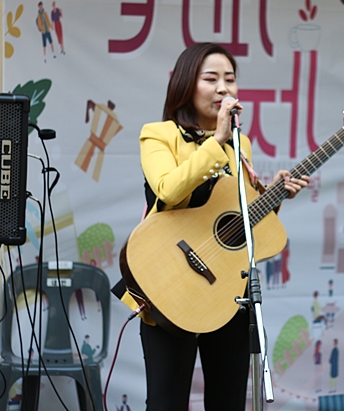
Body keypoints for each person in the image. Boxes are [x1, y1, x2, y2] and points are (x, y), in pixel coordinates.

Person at [132, 42, 309, 410]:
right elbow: (169, 189)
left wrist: (273, 194)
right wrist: (217, 141)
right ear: (185, 84)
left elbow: (234, 215)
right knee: (166, 403)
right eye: (211, 78)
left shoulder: (239, 143)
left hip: (227, 288)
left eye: (230, 79)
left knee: (229, 402)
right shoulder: (158, 134)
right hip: (172, 283)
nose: (223, 88)